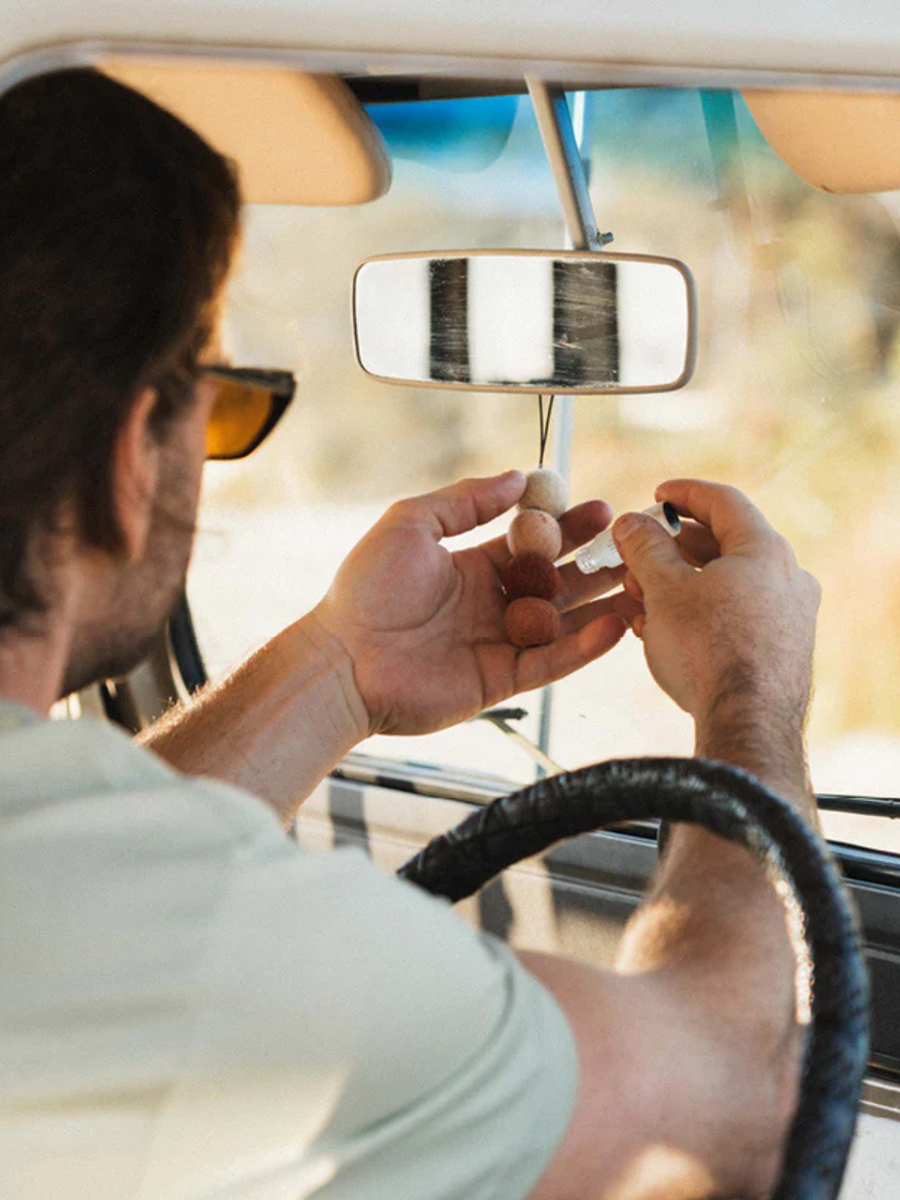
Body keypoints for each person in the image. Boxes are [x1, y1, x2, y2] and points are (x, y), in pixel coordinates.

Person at [0, 68, 821, 1200]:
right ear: (130, 456)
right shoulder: (215, 955)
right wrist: (749, 687)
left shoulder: (76, 899)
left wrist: (343, 667)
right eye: (224, 404)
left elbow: (89, 885)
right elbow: (736, 1096)